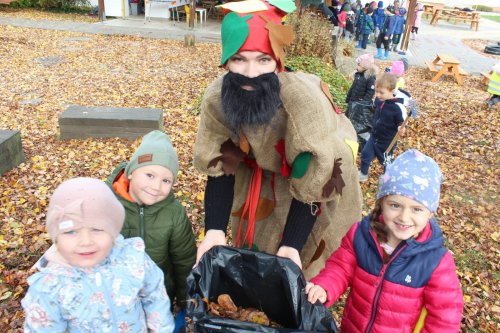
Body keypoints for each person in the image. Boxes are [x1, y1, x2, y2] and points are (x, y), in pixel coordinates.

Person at [193, 0, 362, 280]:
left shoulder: (302, 105)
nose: (250, 74)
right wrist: (214, 230)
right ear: (226, 61)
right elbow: (220, 164)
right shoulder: (216, 99)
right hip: (259, 172)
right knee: (259, 240)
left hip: (319, 176)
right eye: (239, 59)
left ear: (277, 62)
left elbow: (316, 179)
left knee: (300, 261)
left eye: (263, 60)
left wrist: (291, 246)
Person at [305, 149, 464, 332]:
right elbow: (341, 267)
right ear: (381, 204)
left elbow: (444, 318)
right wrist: (325, 286)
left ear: (430, 213)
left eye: (417, 209)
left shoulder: (436, 261)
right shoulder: (361, 235)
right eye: (395, 205)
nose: (404, 217)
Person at [22, 178, 175, 332]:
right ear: (57, 238)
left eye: (97, 229)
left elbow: (155, 296)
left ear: (113, 231)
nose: (86, 241)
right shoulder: (48, 288)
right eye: (71, 232)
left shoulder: (133, 259)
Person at [106, 130, 196, 327]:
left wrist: (186, 301)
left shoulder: (174, 213)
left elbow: (184, 261)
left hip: (157, 300)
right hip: (112, 299)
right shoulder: (106, 203)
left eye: (166, 180)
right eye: (149, 175)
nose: (156, 186)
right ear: (131, 172)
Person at [358, 73, 406, 181]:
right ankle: (363, 174)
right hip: (374, 136)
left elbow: (400, 122)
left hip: (387, 141)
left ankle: (387, 177)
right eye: (377, 91)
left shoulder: (396, 108)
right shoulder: (379, 101)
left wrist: (400, 128)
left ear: (392, 91)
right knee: (366, 154)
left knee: (386, 161)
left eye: (381, 92)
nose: (378, 95)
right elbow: (376, 109)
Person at [345, 53, 378, 151]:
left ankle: (358, 144)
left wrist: (363, 103)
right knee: (348, 120)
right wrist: (348, 98)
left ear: (365, 67)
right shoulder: (358, 75)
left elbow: (370, 92)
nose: (357, 67)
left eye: (359, 65)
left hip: (360, 106)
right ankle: (347, 137)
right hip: (352, 103)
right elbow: (353, 87)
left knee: (358, 124)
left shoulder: (370, 77)